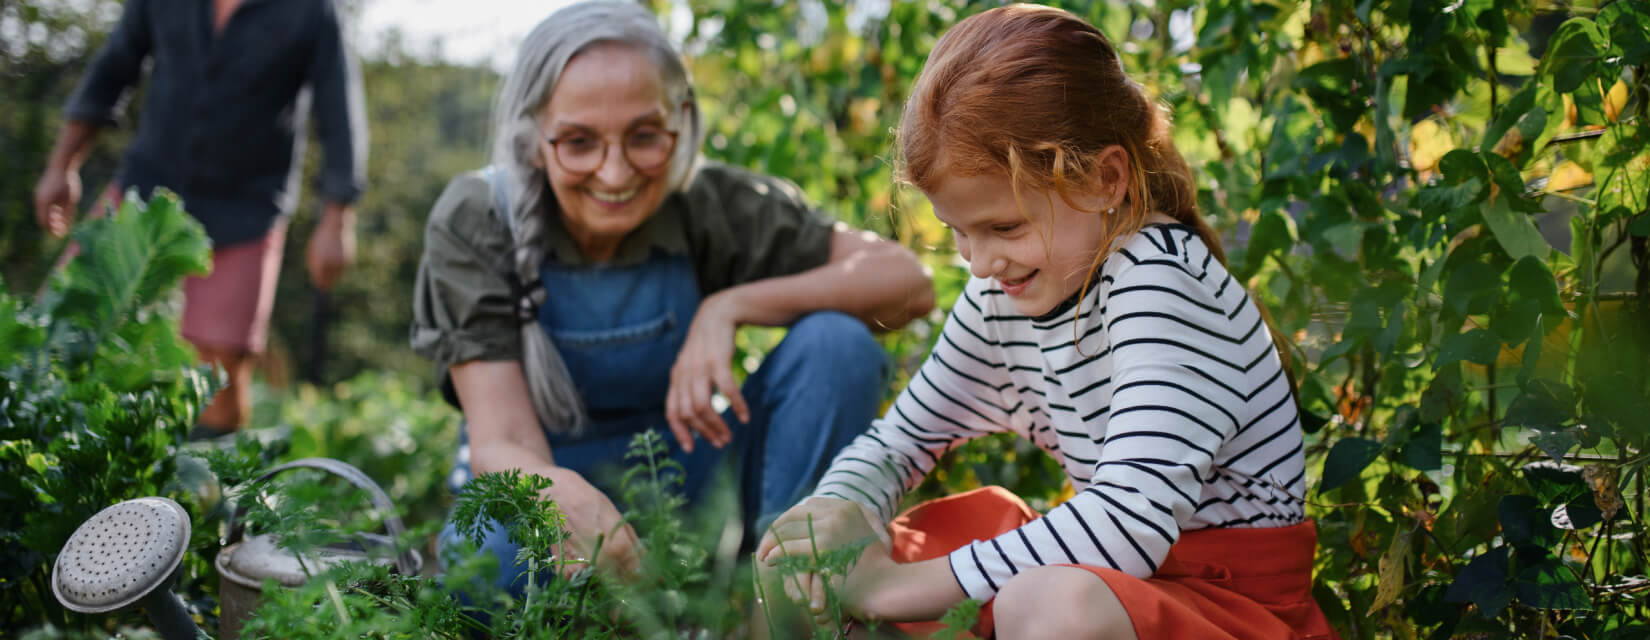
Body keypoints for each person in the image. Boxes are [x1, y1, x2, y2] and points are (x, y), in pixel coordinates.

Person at [758, 5, 1338, 639]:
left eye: (1004, 227)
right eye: (959, 233)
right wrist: (842, 508)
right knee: (806, 556)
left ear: (1104, 179)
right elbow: (899, 443)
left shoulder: (1161, 283)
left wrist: (893, 588)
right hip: (1116, 577)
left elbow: (1128, 522)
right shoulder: (1007, 295)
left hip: (1227, 607)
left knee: (1049, 606)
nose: (979, 263)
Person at [409, 0, 934, 596]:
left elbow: (905, 282)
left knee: (837, 344)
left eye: (644, 137)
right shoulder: (477, 217)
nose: (615, 174)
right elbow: (501, 442)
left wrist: (728, 308)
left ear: (681, 122)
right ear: (532, 139)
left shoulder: (709, 203)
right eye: (579, 143)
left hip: (692, 481)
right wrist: (567, 502)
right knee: (496, 566)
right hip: (541, 482)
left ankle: (782, 591)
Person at [32, 0, 368, 439]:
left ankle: (202, 494)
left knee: (220, 374)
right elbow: (112, 70)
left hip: (246, 208)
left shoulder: (312, 11)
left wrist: (336, 221)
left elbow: (340, 113)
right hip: (148, 190)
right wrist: (62, 166)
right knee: (56, 328)